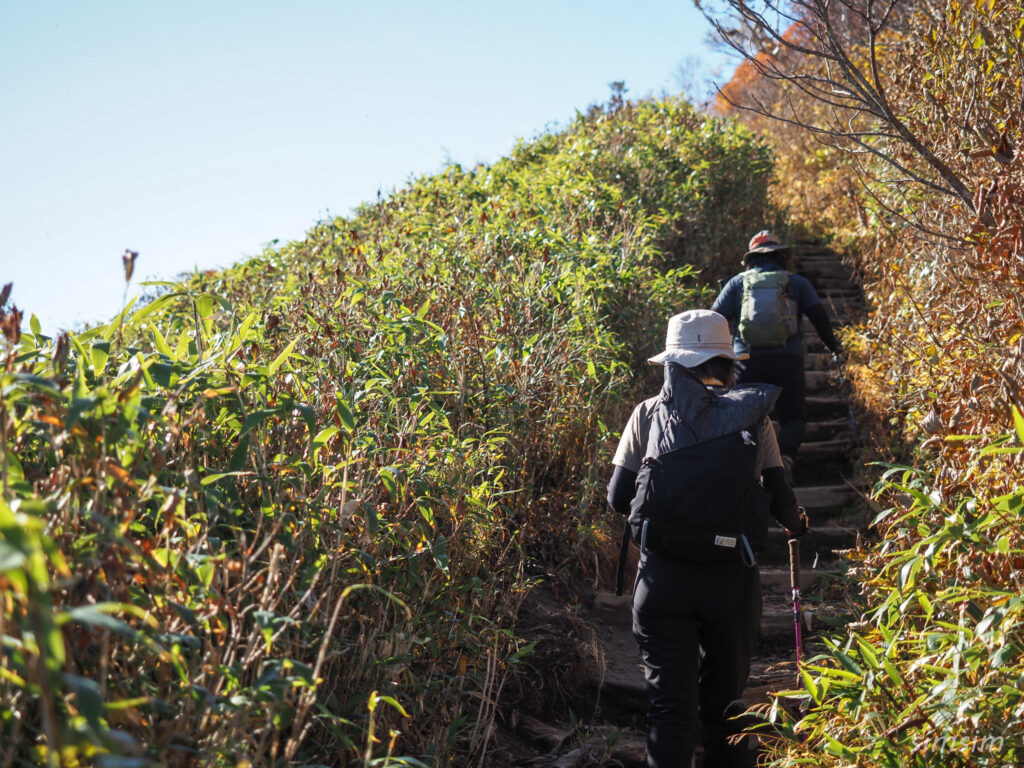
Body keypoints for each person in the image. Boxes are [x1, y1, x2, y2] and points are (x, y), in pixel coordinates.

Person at [607, 309, 807, 768]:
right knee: (727, 712)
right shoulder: (754, 418)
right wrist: (797, 524)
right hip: (729, 584)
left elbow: (618, 498)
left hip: (660, 583)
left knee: (670, 710)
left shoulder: (648, 413)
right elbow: (782, 502)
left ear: (673, 364)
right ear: (726, 362)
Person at [711, 230, 840, 480]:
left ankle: (749, 468)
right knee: (793, 416)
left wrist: (716, 362)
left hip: (746, 361)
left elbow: (714, 319)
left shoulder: (738, 283)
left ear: (751, 259)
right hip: (788, 359)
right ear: (781, 256)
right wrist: (833, 346)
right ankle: (786, 458)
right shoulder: (796, 282)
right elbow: (820, 316)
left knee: (745, 417)